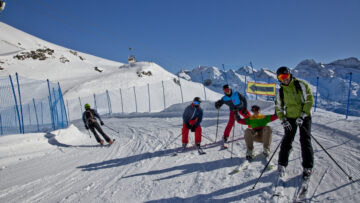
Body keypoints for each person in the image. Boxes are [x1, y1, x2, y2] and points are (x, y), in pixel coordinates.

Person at [275, 66, 314, 180]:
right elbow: (278, 106)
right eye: (281, 77)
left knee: (305, 140)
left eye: (286, 76)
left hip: (304, 116)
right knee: (287, 140)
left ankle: (308, 167)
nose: (284, 79)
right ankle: (282, 163)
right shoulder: (281, 91)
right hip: (290, 117)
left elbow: (309, 99)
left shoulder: (301, 85)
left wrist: (303, 115)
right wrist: (283, 119)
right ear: (279, 79)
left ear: (290, 75)